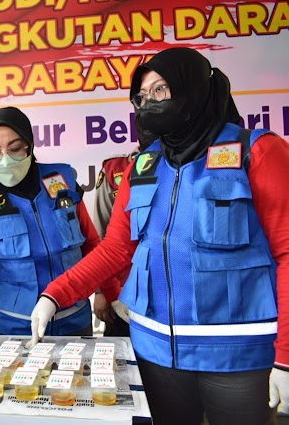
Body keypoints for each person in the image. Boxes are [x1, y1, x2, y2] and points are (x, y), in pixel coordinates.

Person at [29, 47, 289, 424]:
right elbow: (117, 248)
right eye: (142, 96)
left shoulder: (258, 151)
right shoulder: (144, 165)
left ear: (194, 89)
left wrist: (285, 356)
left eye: (160, 91)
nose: (148, 103)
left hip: (237, 356)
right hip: (155, 353)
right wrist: (56, 294)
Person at [0, 107, 117, 353]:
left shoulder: (62, 179)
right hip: (12, 329)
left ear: (30, 146)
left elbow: (92, 245)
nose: (5, 159)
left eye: (15, 148)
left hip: (73, 321)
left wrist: (109, 291)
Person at [92, 127, 156, 336]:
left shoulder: (191, 168)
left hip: (171, 298)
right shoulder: (115, 171)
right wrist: (101, 292)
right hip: (122, 296)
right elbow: (100, 237)